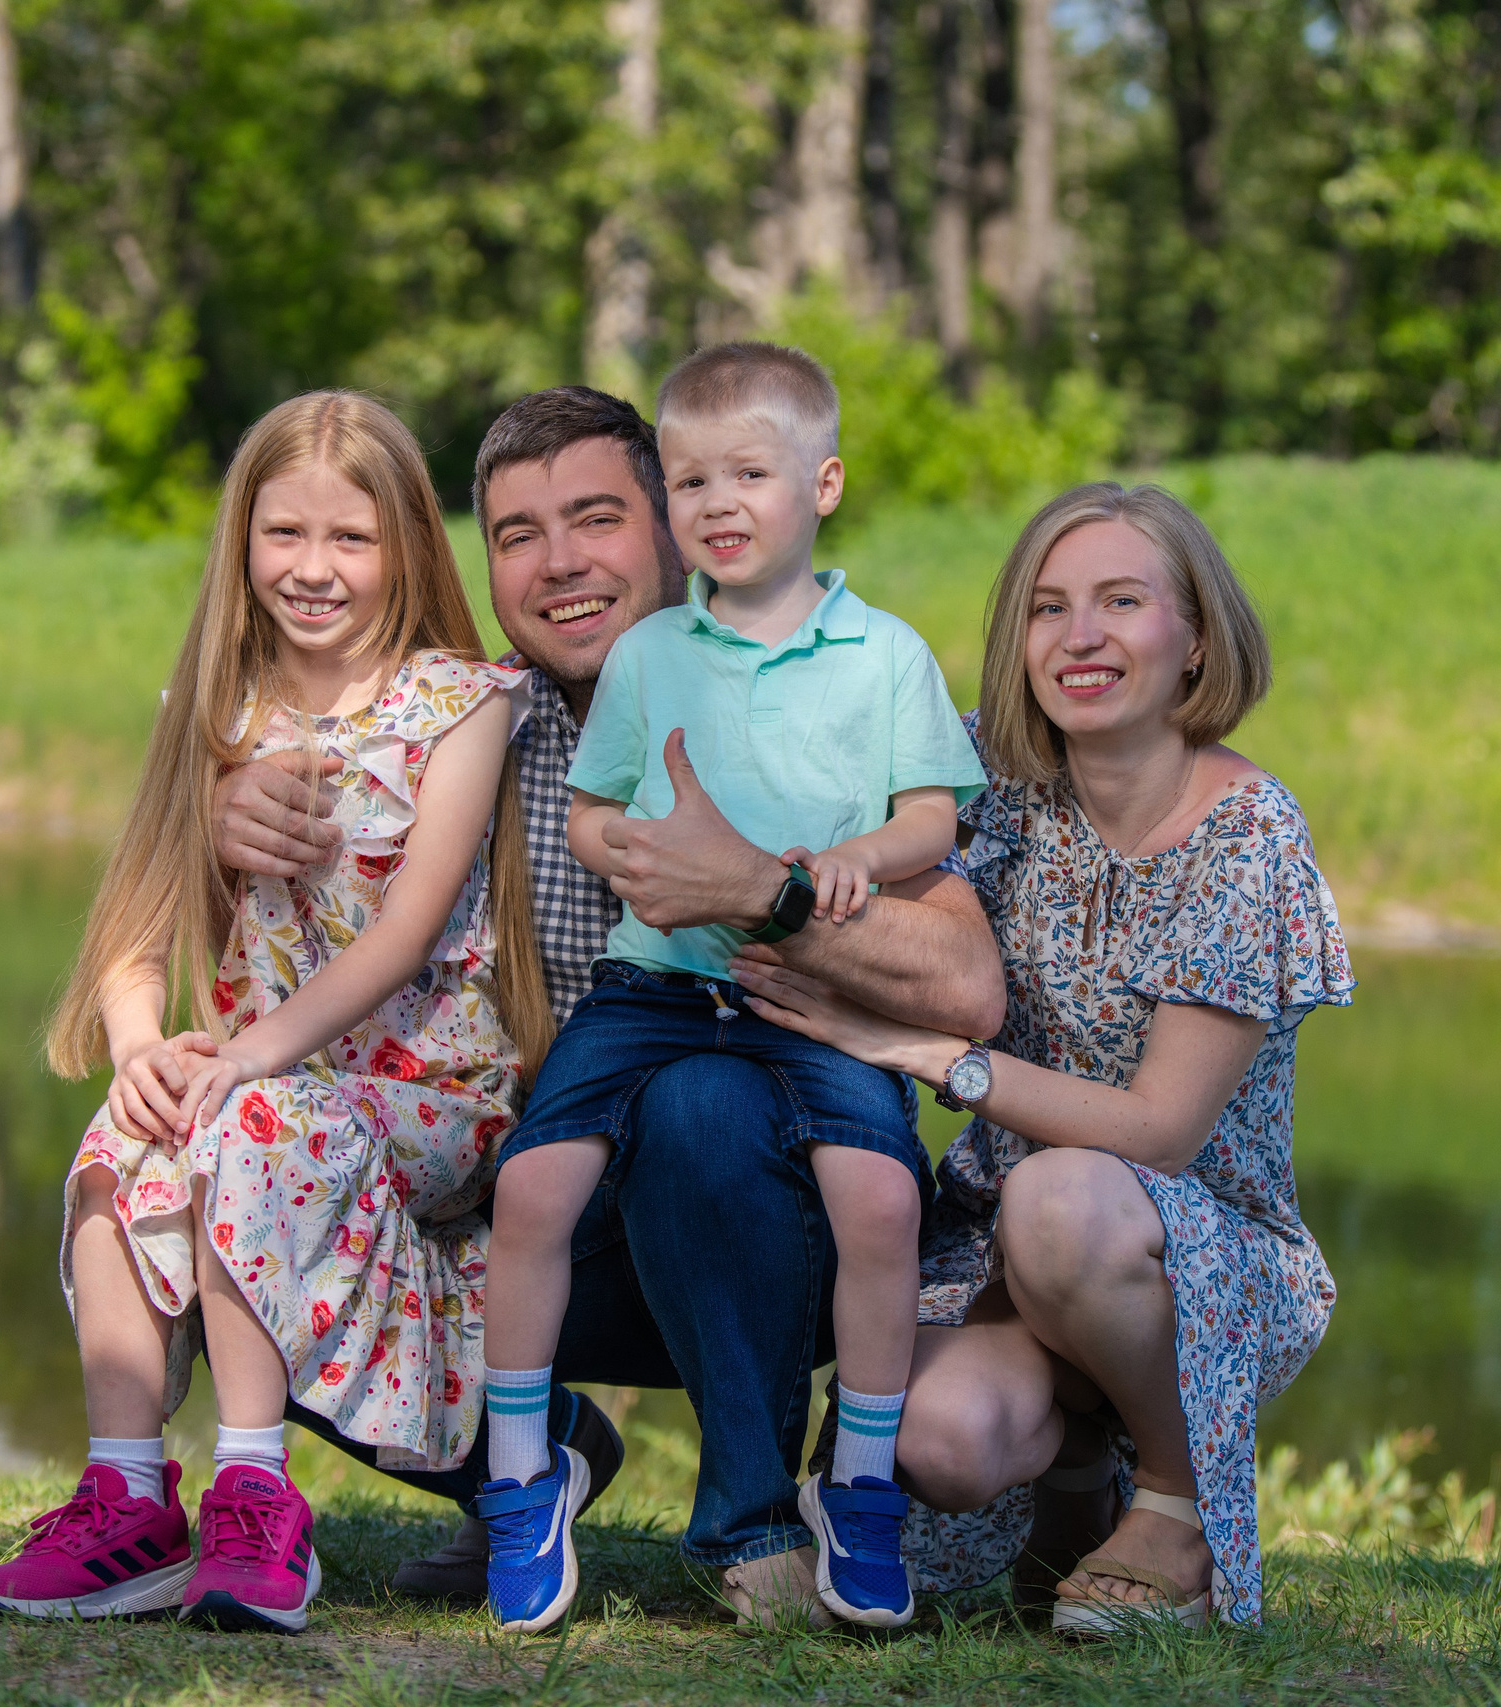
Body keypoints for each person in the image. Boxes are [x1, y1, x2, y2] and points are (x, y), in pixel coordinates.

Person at [207, 385, 1009, 1625]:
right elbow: (268, 892)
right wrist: (225, 823)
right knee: (247, 1181)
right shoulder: (459, 729)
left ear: (678, 526)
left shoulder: (807, 696)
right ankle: (516, 1468)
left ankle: (754, 1530)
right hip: (529, 1217)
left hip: (783, 1217)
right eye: (519, 533)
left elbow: (966, 984)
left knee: (697, 1100)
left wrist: (766, 889)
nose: (560, 563)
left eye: (597, 519)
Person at [0, 391, 536, 1634]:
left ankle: (257, 1502)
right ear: (242, 539)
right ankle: (127, 1504)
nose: (312, 571)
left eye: (351, 539)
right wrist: (141, 1050)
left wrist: (250, 1058)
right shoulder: (210, 706)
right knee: (126, 1144)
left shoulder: (462, 704)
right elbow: (134, 924)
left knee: (247, 1120)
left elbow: (408, 928)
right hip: (258, 1082)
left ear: (408, 547)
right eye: (283, 536)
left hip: (425, 1090)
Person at [734, 482, 1354, 1631]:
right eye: (1048, 607)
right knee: (935, 1439)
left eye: (1121, 601)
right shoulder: (991, 788)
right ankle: (1080, 1486)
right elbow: (835, 826)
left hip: (1196, 1253)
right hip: (1000, 1247)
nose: (1079, 637)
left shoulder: (1249, 834)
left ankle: (1174, 1504)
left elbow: (1161, 1132)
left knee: (1061, 1195)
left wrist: (925, 1050)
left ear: (1196, 638)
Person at [475, 343, 983, 1633]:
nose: (717, 504)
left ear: (821, 485)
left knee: (866, 1188)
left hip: (777, 1049)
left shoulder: (881, 658)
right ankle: (518, 1478)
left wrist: (804, 880)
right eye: (695, 477)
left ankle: (848, 1491)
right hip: (649, 1006)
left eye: (600, 515)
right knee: (538, 1177)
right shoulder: (581, 686)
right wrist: (638, 862)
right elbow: (596, 809)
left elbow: (950, 894)